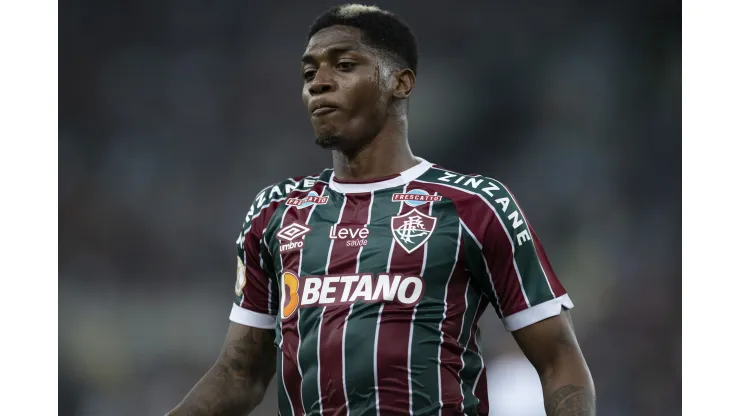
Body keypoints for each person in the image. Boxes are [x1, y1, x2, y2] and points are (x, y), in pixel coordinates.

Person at [167, 4, 595, 415]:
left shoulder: (475, 205)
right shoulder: (277, 211)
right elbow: (241, 374)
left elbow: (558, 360)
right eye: (309, 72)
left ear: (401, 83)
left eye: (344, 65)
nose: (319, 82)